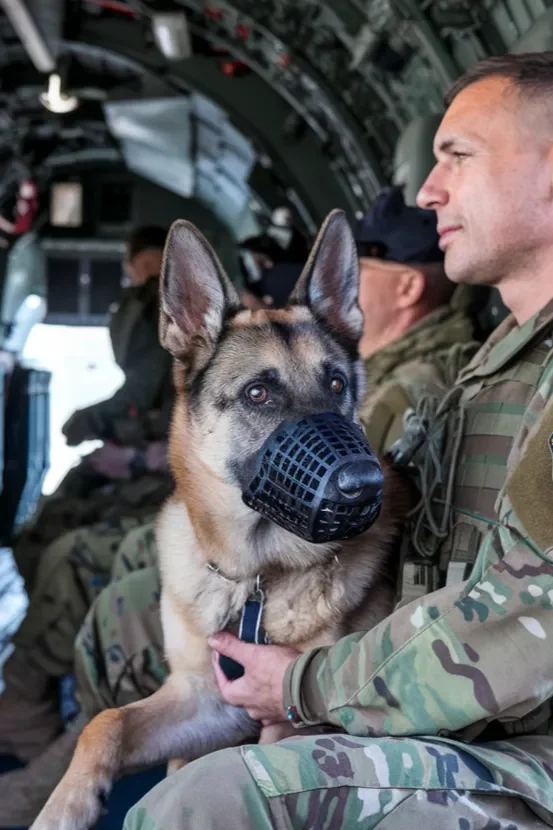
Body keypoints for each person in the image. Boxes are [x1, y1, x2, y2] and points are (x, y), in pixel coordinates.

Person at [120, 52, 553, 829]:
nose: (429, 191)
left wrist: (306, 687)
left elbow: (531, 627)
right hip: (435, 711)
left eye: (457, 156)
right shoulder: (489, 372)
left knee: (208, 802)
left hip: (526, 749)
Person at [12, 225, 174, 590]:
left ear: (138, 263)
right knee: (52, 521)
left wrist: (101, 426)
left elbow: (143, 388)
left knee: (55, 539)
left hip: (164, 469)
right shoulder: (160, 307)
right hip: (155, 452)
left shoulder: (155, 305)